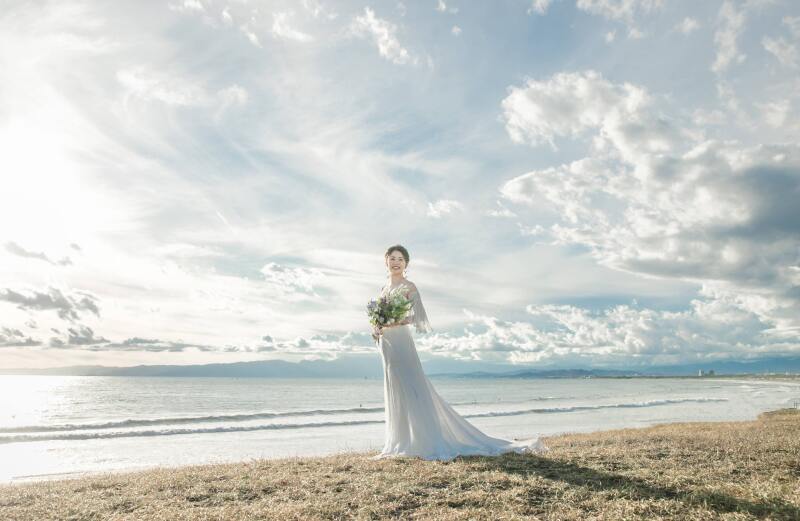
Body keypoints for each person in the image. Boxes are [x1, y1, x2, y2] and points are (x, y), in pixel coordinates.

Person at [371, 244, 547, 460]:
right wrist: (377, 327)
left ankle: (424, 440)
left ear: (406, 264)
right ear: (386, 261)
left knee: (412, 386)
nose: (396, 262)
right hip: (387, 343)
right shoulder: (383, 288)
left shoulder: (409, 286)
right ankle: (399, 441)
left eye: (400, 258)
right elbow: (377, 316)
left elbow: (419, 319)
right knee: (395, 387)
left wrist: (392, 321)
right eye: (392, 258)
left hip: (401, 340)